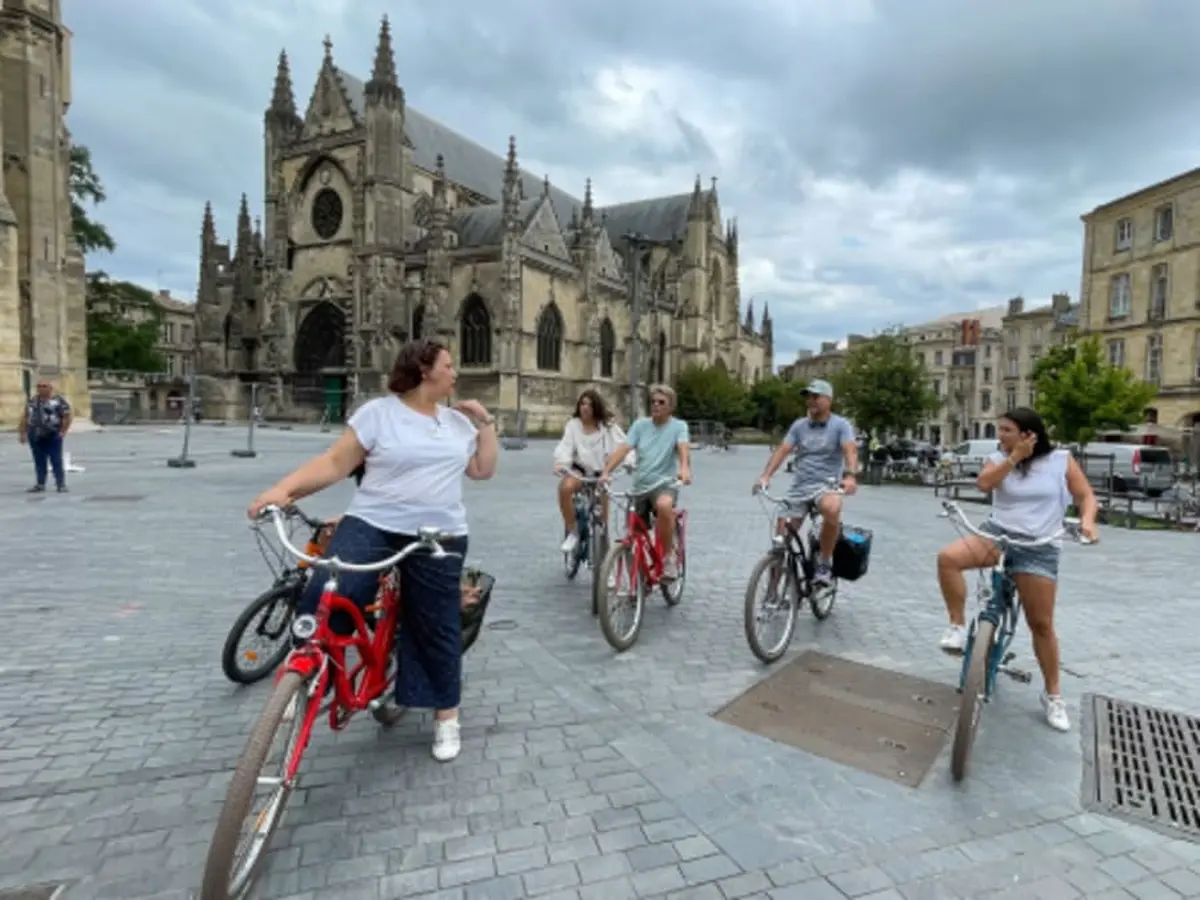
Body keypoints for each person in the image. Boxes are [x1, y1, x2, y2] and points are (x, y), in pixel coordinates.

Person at [247, 339, 499, 762]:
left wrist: (486, 422)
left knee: (435, 621)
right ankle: (308, 679)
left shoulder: (457, 424)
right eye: (449, 365)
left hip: (438, 534)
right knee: (328, 586)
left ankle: (446, 715)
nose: (455, 373)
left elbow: (482, 470)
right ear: (424, 371)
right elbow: (334, 463)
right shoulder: (379, 414)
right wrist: (282, 490)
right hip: (374, 521)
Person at [935, 407, 1098, 733]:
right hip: (997, 536)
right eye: (1000, 430)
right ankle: (956, 625)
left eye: (1006, 430)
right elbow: (984, 485)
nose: (1000, 436)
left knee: (1041, 624)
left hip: (1038, 547)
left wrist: (1088, 522)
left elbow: (1084, 495)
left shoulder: (1060, 460)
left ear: (1028, 434)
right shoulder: (998, 457)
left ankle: (1053, 695)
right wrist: (1013, 458)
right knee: (948, 559)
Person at [756, 379, 859, 586]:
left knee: (832, 508)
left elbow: (850, 451)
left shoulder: (841, 425)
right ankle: (774, 590)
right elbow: (783, 450)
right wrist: (766, 476)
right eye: (808, 397)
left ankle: (824, 563)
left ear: (828, 400)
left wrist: (849, 476)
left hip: (827, 486)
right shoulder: (799, 426)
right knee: (781, 539)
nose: (811, 401)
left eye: (816, 396)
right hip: (800, 487)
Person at [598, 384, 691, 580]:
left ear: (671, 406)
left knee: (664, 505)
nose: (656, 405)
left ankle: (668, 559)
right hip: (640, 487)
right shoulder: (640, 426)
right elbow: (623, 449)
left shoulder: (679, 427)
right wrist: (606, 471)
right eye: (653, 402)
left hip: (664, 484)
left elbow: (683, 448)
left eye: (661, 402)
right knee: (633, 534)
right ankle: (637, 583)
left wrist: (684, 468)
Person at [552, 390, 628, 555]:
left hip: (601, 474)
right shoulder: (573, 425)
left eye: (590, 405)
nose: (585, 408)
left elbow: (624, 445)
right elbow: (566, 445)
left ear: (596, 408)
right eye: (582, 404)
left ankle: (605, 558)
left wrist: (630, 463)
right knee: (565, 488)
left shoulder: (608, 427)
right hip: (579, 471)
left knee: (603, 521)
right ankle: (572, 531)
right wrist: (561, 463)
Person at [18, 379, 73, 494]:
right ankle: (40, 484)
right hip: (35, 434)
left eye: (44, 386)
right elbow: (25, 416)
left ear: (50, 388)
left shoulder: (58, 401)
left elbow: (66, 417)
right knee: (39, 460)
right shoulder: (32, 400)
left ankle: (60, 484)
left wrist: (62, 432)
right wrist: (22, 433)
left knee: (56, 459)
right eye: (39, 386)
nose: (41, 388)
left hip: (52, 434)